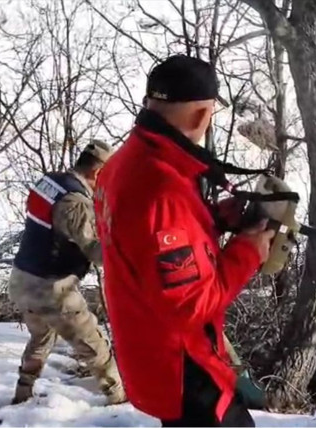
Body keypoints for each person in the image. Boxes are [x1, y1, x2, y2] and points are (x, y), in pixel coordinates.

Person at [93, 54, 274, 427]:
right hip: (182, 365)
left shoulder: (124, 163)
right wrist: (249, 251)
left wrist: (213, 220)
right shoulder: (162, 189)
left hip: (150, 350)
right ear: (200, 116)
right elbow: (192, 305)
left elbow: (146, 245)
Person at [7, 140, 125, 406]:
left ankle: (23, 393)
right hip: (52, 289)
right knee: (94, 345)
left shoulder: (50, 182)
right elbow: (97, 253)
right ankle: (118, 398)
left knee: (42, 337)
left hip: (21, 279)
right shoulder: (75, 202)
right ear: (98, 173)